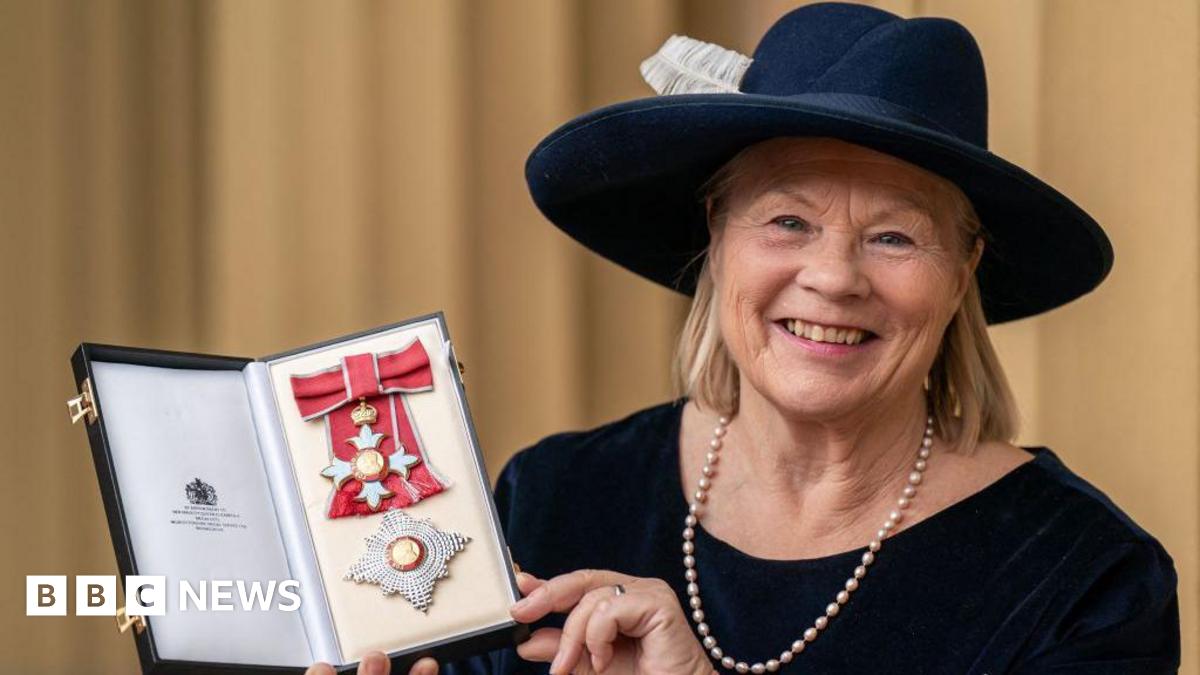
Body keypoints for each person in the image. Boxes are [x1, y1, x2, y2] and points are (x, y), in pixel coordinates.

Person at [309, 3, 1180, 674]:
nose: (835, 277)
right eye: (788, 220)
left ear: (963, 270)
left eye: (895, 235)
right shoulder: (555, 498)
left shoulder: (1084, 579)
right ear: (716, 239)